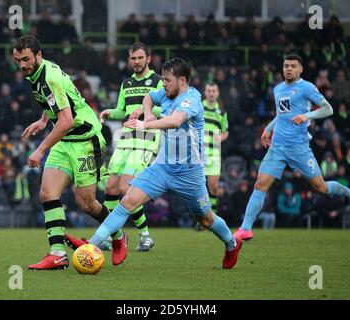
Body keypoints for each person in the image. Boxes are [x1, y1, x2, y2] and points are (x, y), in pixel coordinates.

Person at [65, 58, 243, 269]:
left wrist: (144, 124)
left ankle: (232, 244)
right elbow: (149, 96)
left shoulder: (192, 99)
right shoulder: (166, 92)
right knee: (127, 201)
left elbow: (175, 120)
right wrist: (147, 111)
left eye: (167, 80)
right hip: (162, 167)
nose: (163, 84)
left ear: (182, 80)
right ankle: (91, 245)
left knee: (205, 219)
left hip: (189, 173)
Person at [13, 35, 125, 270]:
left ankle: (118, 234)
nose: (22, 65)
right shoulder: (38, 72)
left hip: (85, 138)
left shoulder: (48, 76)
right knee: (47, 193)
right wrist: (44, 120)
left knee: (87, 204)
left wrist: (41, 150)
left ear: (38, 56)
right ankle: (57, 254)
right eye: (18, 60)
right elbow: (57, 101)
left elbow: (66, 120)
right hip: (65, 140)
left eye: (25, 59)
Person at [235, 53, 350, 241]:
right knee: (260, 184)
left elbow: (328, 109)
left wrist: (307, 116)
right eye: (286, 66)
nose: (288, 69)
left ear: (301, 69)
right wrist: (267, 129)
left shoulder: (306, 87)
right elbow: (281, 115)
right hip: (277, 148)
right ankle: (246, 228)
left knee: (321, 187)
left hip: (299, 148)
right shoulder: (278, 89)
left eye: (293, 66)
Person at [99, 42, 163, 251]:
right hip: (126, 138)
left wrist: (144, 112)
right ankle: (114, 236)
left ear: (148, 58)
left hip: (147, 138)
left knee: (126, 188)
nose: (136, 62)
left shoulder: (158, 82)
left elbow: (166, 110)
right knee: (110, 187)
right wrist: (110, 112)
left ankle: (145, 236)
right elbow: (122, 111)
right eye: (133, 58)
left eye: (140, 58)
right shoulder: (126, 84)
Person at [202, 83, 228, 216]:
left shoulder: (222, 113)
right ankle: (202, 217)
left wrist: (221, 137)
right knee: (198, 188)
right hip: (198, 154)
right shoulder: (199, 108)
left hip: (214, 154)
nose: (211, 93)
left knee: (213, 187)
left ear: (217, 93)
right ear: (205, 93)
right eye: (209, 91)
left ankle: (212, 216)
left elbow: (225, 132)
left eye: (213, 91)